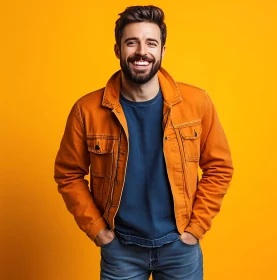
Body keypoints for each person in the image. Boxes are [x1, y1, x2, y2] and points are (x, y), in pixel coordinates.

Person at [54, 5, 233, 280]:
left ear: (162, 51)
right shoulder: (86, 110)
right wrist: (97, 230)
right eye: (131, 42)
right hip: (121, 251)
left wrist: (196, 228)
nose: (141, 52)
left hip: (180, 250)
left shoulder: (197, 103)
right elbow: (68, 174)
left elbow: (220, 167)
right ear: (118, 50)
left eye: (151, 43)